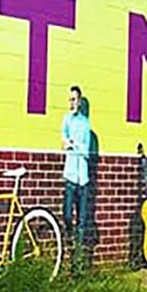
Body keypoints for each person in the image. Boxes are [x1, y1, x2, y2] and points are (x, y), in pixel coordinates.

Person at [61, 85, 92, 246]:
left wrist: (74, 144)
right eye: (70, 100)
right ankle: (70, 238)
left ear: (79, 101)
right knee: (66, 214)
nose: (71, 103)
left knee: (82, 221)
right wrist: (71, 144)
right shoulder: (66, 120)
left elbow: (86, 150)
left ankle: (77, 259)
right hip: (70, 175)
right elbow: (63, 143)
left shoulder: (86, 123)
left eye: (74, 99)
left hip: (83, 178)